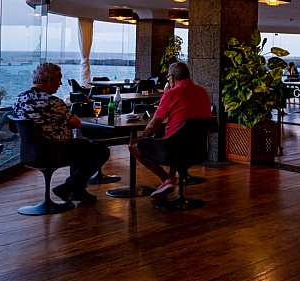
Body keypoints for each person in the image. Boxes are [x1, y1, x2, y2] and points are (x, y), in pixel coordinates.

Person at [14, 62, 109, 203]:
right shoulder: (53, 102)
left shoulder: (19, 99)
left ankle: (76, 191)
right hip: (54, 151)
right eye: (59, 79)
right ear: (48, 80)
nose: (61, 83)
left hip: (29, 152)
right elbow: (77, 123)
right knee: (100, 151)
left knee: (81, 146)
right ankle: (70, 187)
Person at [129, 62, 213, 199]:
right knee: (177, 140)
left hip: (172, 150)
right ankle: (169, 178)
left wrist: (143, 138)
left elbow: (152, 127)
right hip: (199, 150)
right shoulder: (203, 92)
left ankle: (167, 180)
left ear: (172, 78)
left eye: (168, 78)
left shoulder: (171, 94)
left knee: (133, 146)